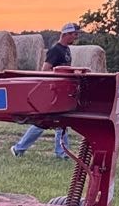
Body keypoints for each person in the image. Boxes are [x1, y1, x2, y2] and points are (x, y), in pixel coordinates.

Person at [10, 22, 80, 159]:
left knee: (56, 122)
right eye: (74, 34)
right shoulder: (55, 50)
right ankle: (21, 148)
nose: (76, 37)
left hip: (63, 91)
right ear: (65, 34)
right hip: (54, 90)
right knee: (46, 122)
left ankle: (59, 152)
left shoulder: (67, 50)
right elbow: (45, 69)